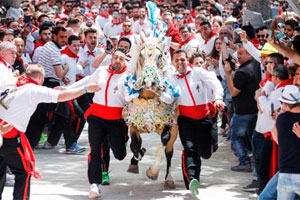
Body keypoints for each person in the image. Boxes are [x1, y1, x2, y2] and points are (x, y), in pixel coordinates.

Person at [0, 64, 100, 200]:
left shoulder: (10, 81)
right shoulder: (33, 89)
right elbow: (62, 96)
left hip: (2, 131)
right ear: (40, 78)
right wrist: (85, 89)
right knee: (23, 171)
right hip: (9, 136)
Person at [67, 48, 134, 199]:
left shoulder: (128, 77)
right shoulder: (102, 71)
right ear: (111, 58)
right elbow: (86, 81)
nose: (117, 60)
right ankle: (94, 185)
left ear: (125, 61)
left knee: (119, 155)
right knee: (95, 151)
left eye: (121, 58)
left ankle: (122, 143)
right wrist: (67, 90)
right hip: (96, 118)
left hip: (116, 121)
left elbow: (130, 99)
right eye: (115, 57)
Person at [168, 49, 224, 197]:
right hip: (185, 119)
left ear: (187, 60)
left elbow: (215, 84)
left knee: (205, 153)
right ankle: (193, 180)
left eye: (182, 59)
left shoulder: (198, 72)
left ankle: (205, 151)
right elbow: (167, 97)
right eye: (177, 60)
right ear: (173, 63)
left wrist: (218, 98)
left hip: (204, 117)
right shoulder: (170, 77)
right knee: (190, 148)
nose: (180, 63)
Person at [25, 26, 69, 149]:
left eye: (65, 37)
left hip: (48, 83)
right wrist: (66, 68)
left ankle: (33, 143)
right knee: (64, 114)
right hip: (50, 84)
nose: (64, 40)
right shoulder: (53, 50)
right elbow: (60, 73)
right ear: (54, 36)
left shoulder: (48, 46)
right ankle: (47, 142)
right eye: (61, 37)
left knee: (40, 115)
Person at [224, 45, 261, 172]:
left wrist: (228, 74)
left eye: (241, 54)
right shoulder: (256, 65)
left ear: (250, 54)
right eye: (238, 54)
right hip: (254, 110)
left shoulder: (242, 72)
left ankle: (244, 161)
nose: (238, 56)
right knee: (252, 137)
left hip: (243, 111)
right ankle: (256, 162)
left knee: (236, 136)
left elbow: (234, 92)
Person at [272, 85, 300, 199]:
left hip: (285, 172)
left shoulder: (281, 119)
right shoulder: (281, 118)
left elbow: (276, 138)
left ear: (285, 104)